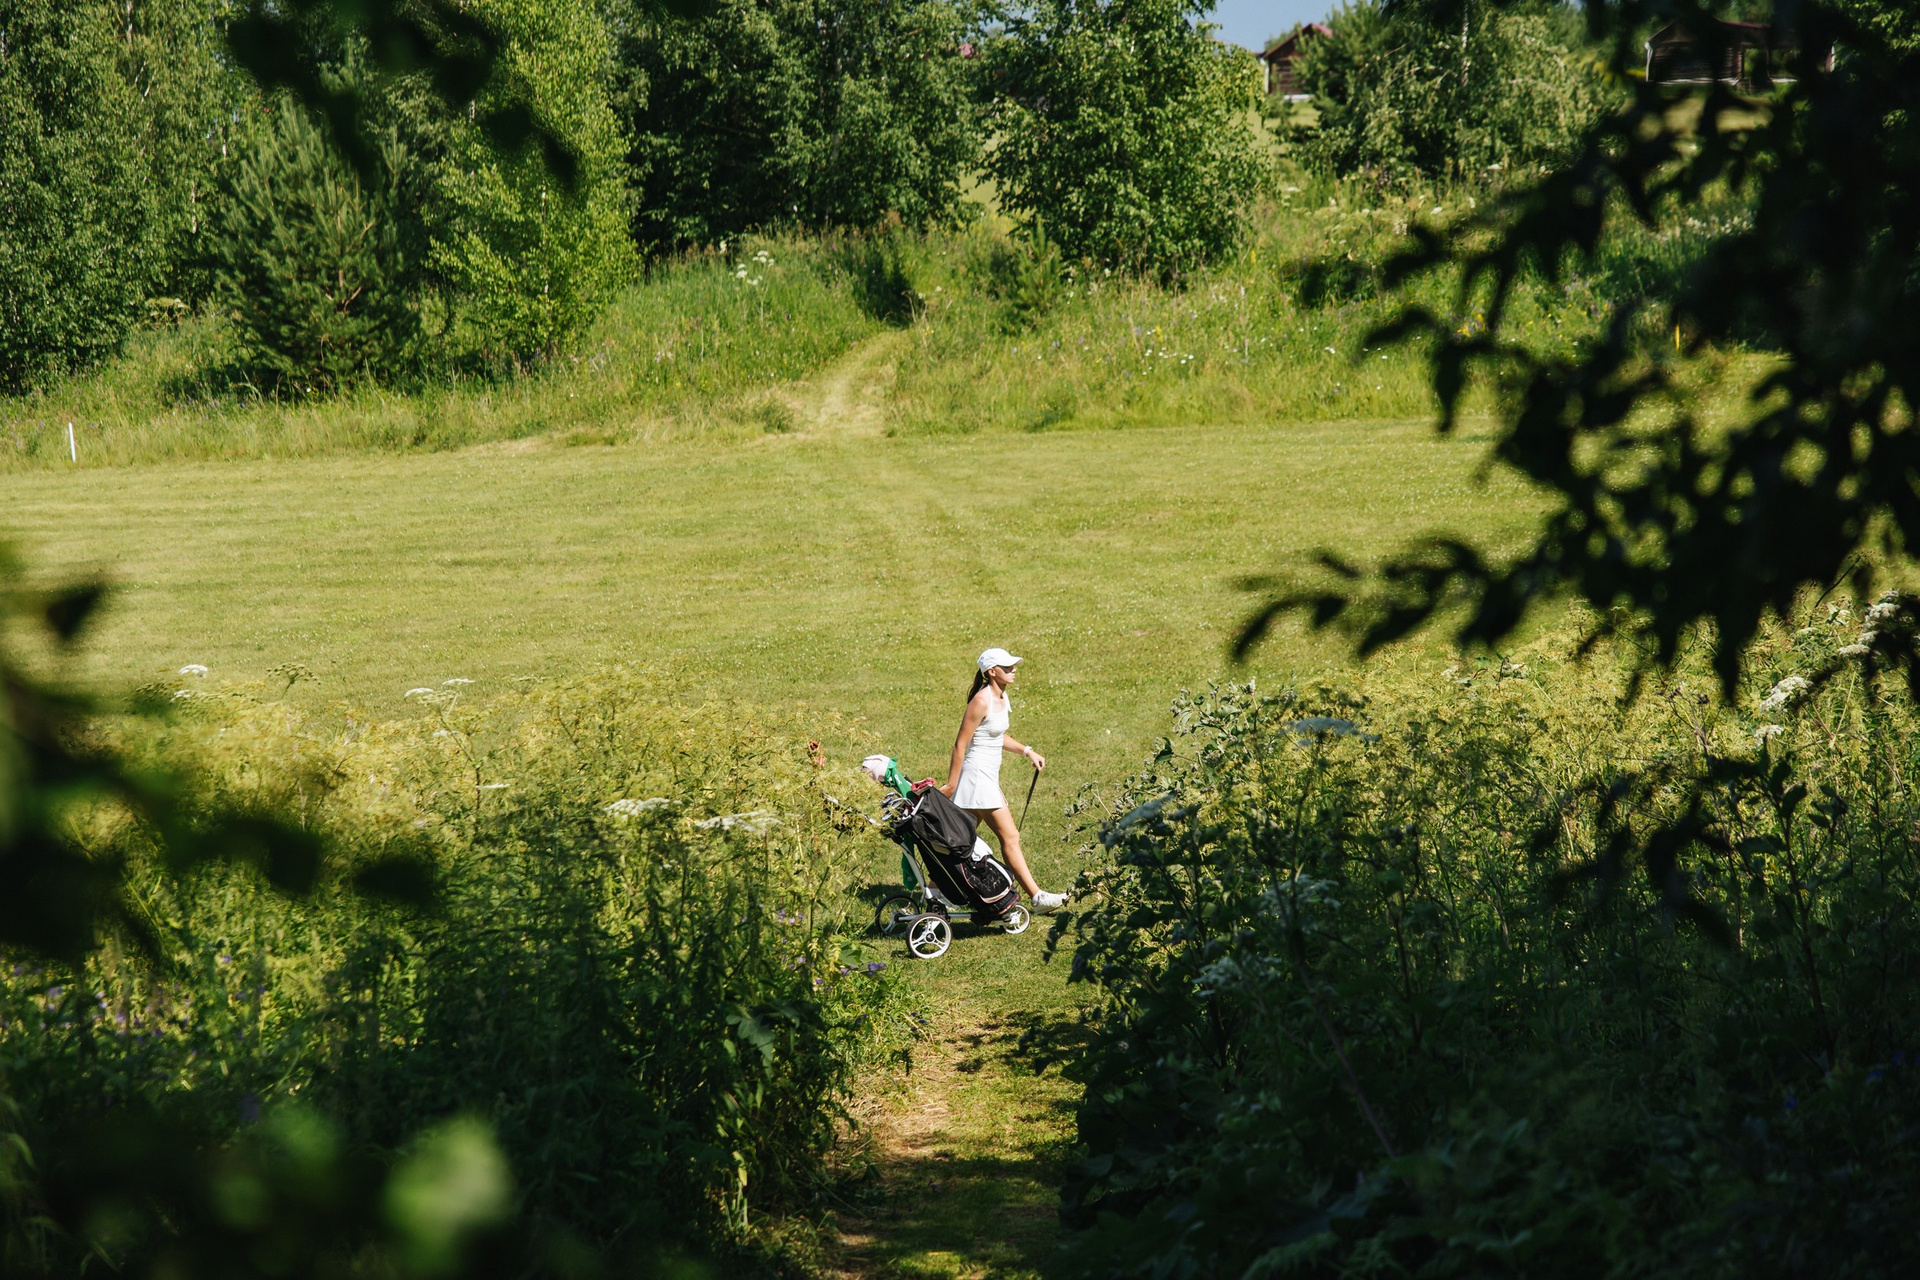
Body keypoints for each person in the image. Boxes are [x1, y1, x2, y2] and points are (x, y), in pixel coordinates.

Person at [941, 647, 1069, 914]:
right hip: (977, 777)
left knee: (960, 841)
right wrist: (951, 785)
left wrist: (1027, 751)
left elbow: (996, 735)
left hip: (985, 777)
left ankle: (934, 890)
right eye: (1007, 667)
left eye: (1013, 666)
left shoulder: (1001, 696)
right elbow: (960, 744)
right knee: (1010, 836)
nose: (1013, 670)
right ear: (991, 671)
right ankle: (1037, 898)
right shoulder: (981, 700)